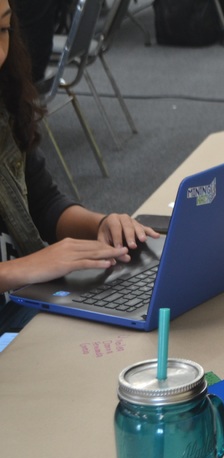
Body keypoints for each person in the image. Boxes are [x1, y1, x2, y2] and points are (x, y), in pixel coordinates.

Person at [0, 0, 159, 296]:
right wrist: (19, 269)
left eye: (3, 29)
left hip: (24, 298)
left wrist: (101, 224)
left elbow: (44, 203)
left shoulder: (6, 100)